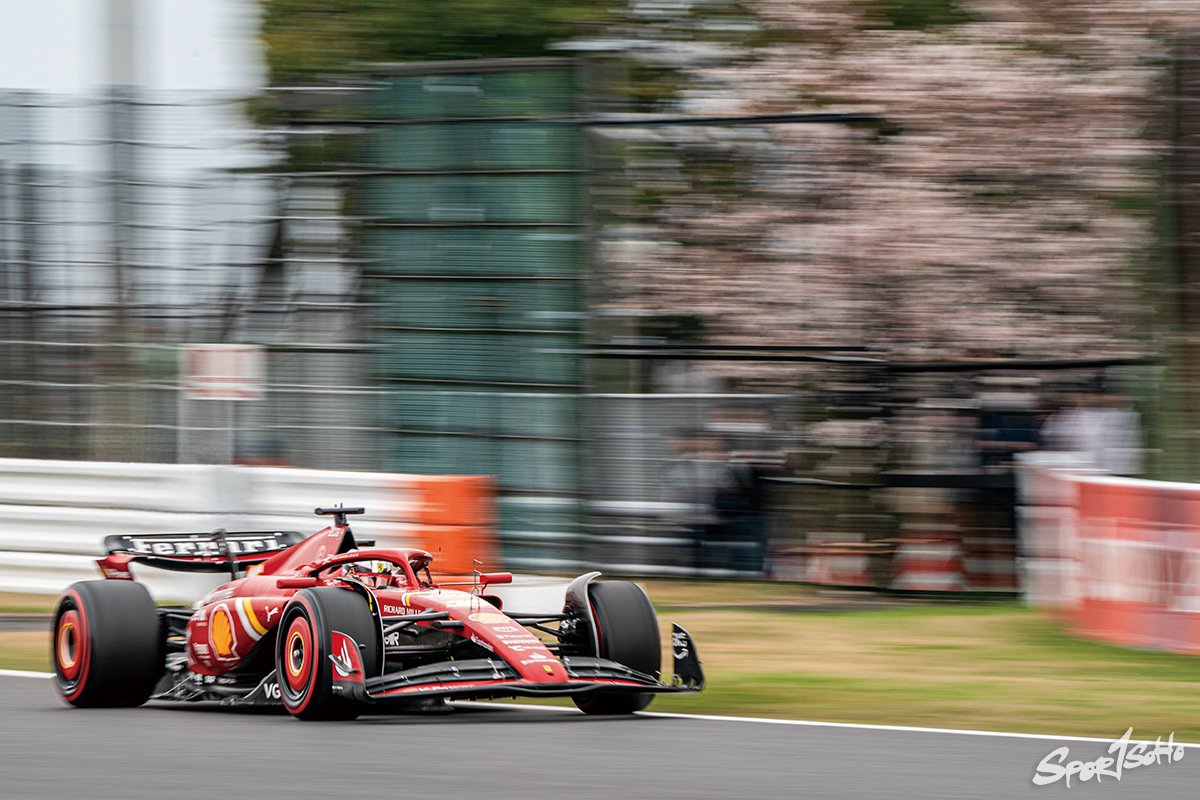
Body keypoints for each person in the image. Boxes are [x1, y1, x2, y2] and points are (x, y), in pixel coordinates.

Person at [1041, 379, 1142, 476]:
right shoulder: (1066, 417)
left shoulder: (1121, 414)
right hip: (1086, 470)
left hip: (1116, 469)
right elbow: (1054, 440)